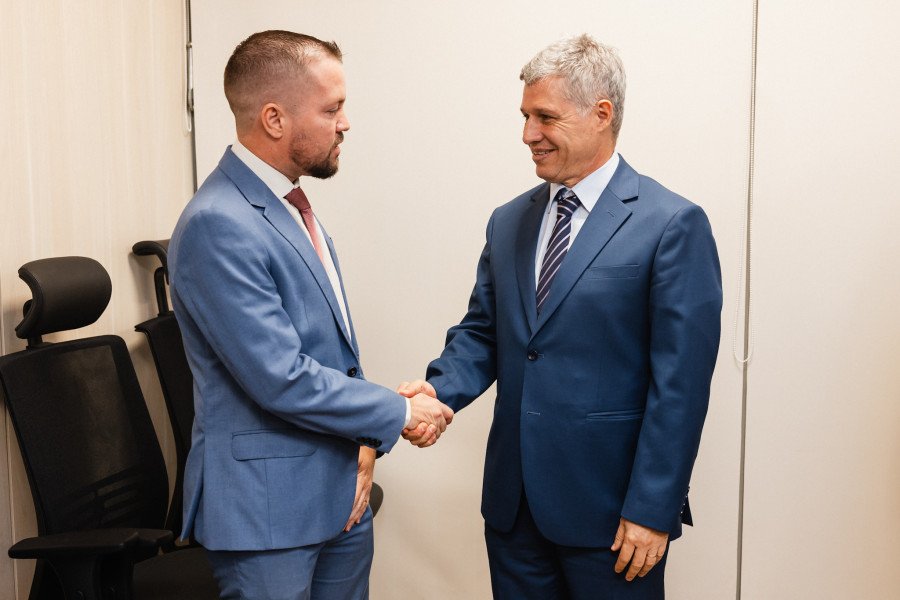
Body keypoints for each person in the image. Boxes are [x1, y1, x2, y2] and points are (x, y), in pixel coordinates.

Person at [400, 34, 722, 599]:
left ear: (602, 114)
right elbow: (483, 332)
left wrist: (652, 508)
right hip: (513, 510)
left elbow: (682, 387)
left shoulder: (672, 225)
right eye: (525, 116)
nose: (528, 134)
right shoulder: (508, 222)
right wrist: (437, 394)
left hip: (614, 516)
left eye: (544, 117)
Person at [168, 30, 453, 600]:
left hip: (338, 492)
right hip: (268, 513)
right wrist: (398, 411)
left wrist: (366, 444)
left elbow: (332, 359)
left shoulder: (289, 206)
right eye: (333, 108)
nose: (345, 122)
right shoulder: (218, 223)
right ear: (274, 119)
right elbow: (281, 376)